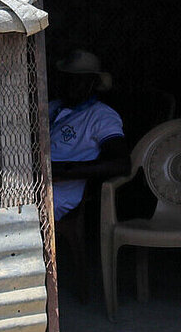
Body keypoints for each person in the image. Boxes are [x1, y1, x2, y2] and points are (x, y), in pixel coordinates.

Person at [49, 50, 130, 221]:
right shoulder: (51, 107)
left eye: (79, 79)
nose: (71, 84)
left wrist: (59, 170)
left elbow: (121, 164)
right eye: (68, 78)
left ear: (92, 83)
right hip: (28, 182)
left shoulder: (101, 116)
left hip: (59, 193)